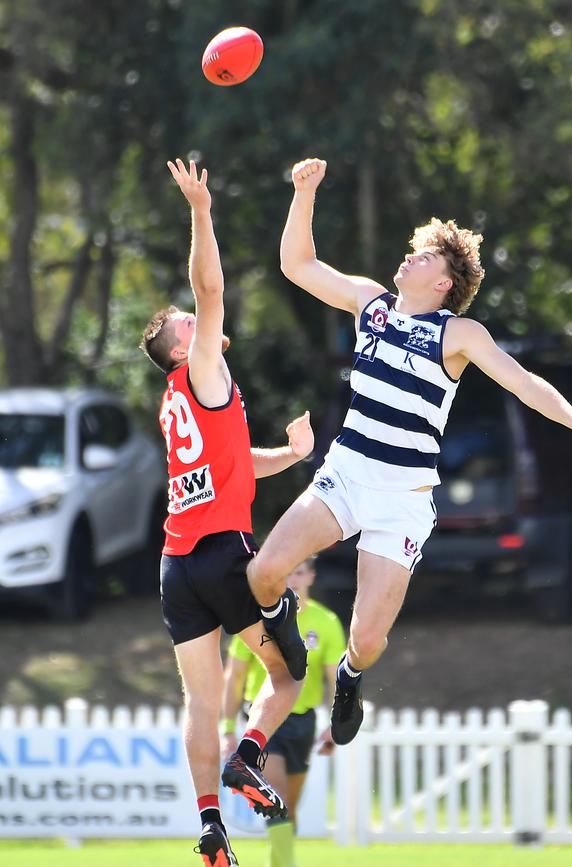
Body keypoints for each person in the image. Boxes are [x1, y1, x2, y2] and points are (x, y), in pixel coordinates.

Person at [247, 156, 572, 749]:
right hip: (344, 476)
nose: (409, 256)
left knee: (367, 639)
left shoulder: (458, 335)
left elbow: (525, 383)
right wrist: (304, 192)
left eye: (423, 256)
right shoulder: (370, 305)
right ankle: (291, 652)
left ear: (442, 283)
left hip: (402, 500)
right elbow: (297, 265)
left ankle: (349, 674)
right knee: (264, 574)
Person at [140, 158, 312, 867]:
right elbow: (209, 287)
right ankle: (248, 757)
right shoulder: (198, 368)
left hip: (177, 563)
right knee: (290, 675)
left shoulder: (182, 400)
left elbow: (241, 464)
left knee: (199, 701)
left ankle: (210, 825)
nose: (200, 314)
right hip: (220, 554)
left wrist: (292, 456)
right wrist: (201, 208)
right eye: (189, 322)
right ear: (183, 344)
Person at [222, 556, 345, 867]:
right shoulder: (255, 620)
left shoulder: (326, 622)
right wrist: (226, 728)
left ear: (311, 577)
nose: (292, 579)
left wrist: (335, 723)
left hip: (302, 721)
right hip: (263, 720)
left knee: (289, 809)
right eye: (286, 572)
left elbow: (336, 678)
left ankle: (280, 861)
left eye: (299, 572)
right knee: (275, 802)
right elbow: (234, 677)